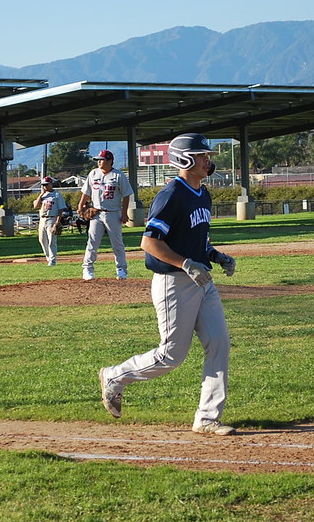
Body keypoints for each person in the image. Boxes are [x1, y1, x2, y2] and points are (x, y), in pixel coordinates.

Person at [98, 133, 237, 435]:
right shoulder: (171, 195)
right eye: (202, 155)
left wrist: (216, 255)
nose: (207, 160)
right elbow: (149, 243)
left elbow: (197, 239)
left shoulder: (203, 194)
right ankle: (114, 377)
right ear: (185, 159)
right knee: (171, 356)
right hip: (173, 283)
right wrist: (186, 263)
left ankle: (207, 418)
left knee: (219, 344)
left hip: (202, 281)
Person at [78, 149, 134, 280]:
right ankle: (87, 269)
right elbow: (86, 191)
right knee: (92, 242)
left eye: (102, 159)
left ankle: (121, 269)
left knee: (117, 243)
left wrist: (124, 213)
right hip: (96, 213)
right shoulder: (93, 174)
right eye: (98, 160)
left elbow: (127, 194)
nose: (99, 162)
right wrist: (81, 205)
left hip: (113, 213)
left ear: (109, 161)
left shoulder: (118, 175)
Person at [33, 176, 68, 266]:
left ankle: (52, 260)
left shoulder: (57, 194)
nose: (45, 186)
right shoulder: (43, 195)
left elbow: (61, 209)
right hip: (42, 219)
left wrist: (57, 221)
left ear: (51, 184)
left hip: (52, 218)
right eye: (43, 185)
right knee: (42, 240)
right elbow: (35, 206)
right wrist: (41, 194)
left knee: (52, 240)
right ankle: (48, 257)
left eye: (46, 184)